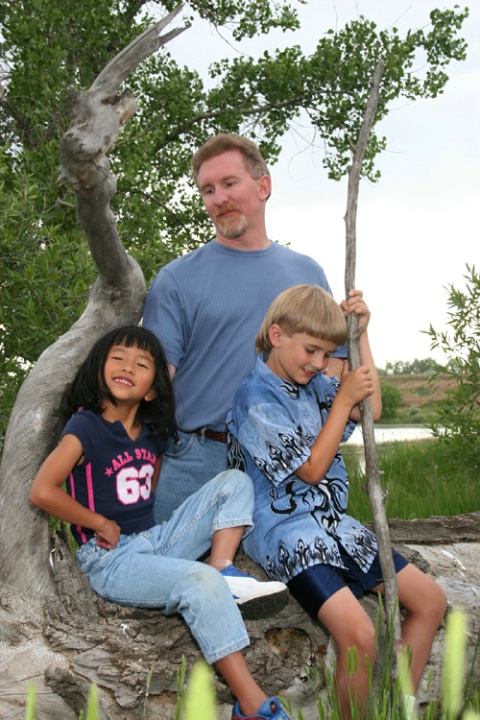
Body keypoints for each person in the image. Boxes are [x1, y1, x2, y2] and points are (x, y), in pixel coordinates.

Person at [29, 325, 291, 720]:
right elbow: (43, 491)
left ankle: (224, 566)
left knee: (233, 482)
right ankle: (252, 705)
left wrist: (163, 538)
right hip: (108, 558)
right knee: (198, 582)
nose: (127, 367)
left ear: (152, 389)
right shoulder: (86, 426)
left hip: (152, 541)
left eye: (141, 363)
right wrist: (99, 522)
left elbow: (147, 492)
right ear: (99, 368)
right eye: (118, 358)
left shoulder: (153, 435)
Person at [227, 286, 447, 719]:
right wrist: (342, 399)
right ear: (276, 335)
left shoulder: (313, 384)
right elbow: (308, 470)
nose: (318, 363)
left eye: (328, 353)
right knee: (359, 635)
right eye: (311, 350)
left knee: (430, 600)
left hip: (333, 525)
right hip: (287, 533)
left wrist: (361, 335)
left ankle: (397, 706)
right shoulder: (254, 397)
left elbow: (373, 409)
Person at [143, 133, 347, 523]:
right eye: (207, 190)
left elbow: (333, 368)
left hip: (288, 459)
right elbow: (153, 389)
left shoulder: (307, 274)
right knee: (174, 576)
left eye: (229, 184)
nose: (218, 199)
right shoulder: (175, 280)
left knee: (291, 575)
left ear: (263, 186)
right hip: (198, 461)